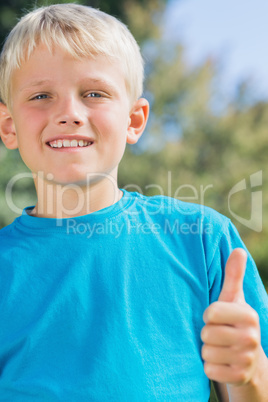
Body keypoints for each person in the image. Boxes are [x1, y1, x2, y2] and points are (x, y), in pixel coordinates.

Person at [0, 4, 267, 401]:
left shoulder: (201, 240)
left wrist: (249, 375)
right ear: (9, 127)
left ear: (135, 120)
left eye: (94, 93)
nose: (69, 113)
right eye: (41, 95)